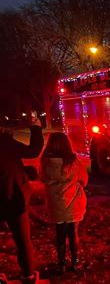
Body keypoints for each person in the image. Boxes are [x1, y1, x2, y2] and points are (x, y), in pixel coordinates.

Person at [0, 111, 43, 282]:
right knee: (23, 239)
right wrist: (36, 127)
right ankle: (28, 275)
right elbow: (33, 150)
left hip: (9, 196)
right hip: (12, 198)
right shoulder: (4, 142)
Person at [40, 132, 88, 274]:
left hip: (56, 204)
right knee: (73, 233)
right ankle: (75, 261)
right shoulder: (73, 163)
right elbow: (84, 180)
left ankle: (61, 263)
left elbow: (42, 178)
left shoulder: (45, 163)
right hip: (73, 203)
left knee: (60, 234)